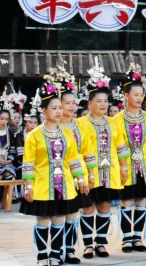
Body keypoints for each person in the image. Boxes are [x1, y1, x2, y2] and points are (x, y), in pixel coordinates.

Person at [20, 75, 89, 266]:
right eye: (54, 108)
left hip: (64, 184)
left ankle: (56, 255)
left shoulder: (67, 133)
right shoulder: (34, 135)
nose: (59, 111)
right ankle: (42, 256)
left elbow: (73, 159)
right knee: (43, 220)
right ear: (44, 111)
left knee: (59, 219)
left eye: (60, 108)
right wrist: (28, 186)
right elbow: (28, 163)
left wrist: (81, 179)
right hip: (42, 184)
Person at [76, 64, 124, 259]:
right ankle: (88, 244)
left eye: (105, 101)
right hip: (89, 173)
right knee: (88, 206)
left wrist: (124, 167)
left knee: (104, 205)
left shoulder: (114, 122)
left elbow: (121, 147)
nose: (103, 105)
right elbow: (77, 150)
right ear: (89, 104)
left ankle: (101, 242)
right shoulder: (80, 124)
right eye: (98, 101)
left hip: (109, 171)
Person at [114, 65, 146, 253]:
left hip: (145, 164)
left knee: (142, 200)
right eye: (135, 95)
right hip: (125, 166)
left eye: (141, 95)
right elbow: (118, 145)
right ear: (126, 95)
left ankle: (138, 237)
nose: (139, 98)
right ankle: (127, 238)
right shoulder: (117, 120)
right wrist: (124, 166)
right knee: (127, 201)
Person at [55, 68, 90, 264]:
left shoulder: (81, 125)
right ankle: (55, 250)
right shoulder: (52, 127)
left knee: (72, 213)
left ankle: (69, 250)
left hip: (77, 175)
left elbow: (87, 151)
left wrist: (89, 175)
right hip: (57, 176)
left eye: (73, 102)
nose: (71, 106)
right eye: (65, 103)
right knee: (56, 214)